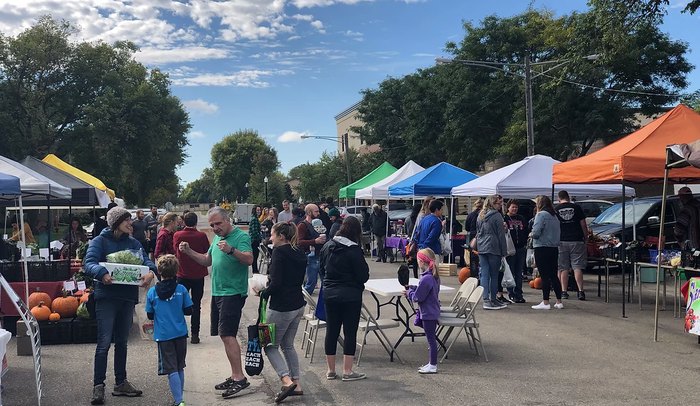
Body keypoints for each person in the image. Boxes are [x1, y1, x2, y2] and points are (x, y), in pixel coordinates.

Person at [84, 206, 158, 405]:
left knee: (122, 343)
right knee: (104, 343)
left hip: (126, 298)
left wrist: (150, 273)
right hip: (106, 298)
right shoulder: (99, 241)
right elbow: (88, 263)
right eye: (126, 220)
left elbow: (148, 262)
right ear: (116, 223)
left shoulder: (133, 243)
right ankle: (98, 386)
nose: (130, 223)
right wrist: (102, 273)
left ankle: (121, 383)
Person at [178, 207, 254, 399]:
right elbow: (206, 261)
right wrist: (188, 251)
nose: (215, 228)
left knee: (228, 334)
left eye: (218, 223)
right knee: (223, 335)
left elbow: (249, 259)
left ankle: (239, 378)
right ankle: (234, 374)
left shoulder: (239, 237)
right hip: (219, 292)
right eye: (212, 225)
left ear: (228, 220)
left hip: (233, 292)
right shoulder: (218, 239)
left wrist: (231, 250)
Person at [258, 222, 307, 403]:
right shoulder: (298, 252)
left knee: (269, 345)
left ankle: (285, 380)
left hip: (281, 306)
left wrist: (263, 292)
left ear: (281, 236)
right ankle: (296, 383)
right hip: (297, 304)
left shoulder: (279, 252)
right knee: (287, 345)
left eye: (272, 234)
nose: (270, 238)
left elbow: (276, 282)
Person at [320, 216, 369, 382]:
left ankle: (330, 370)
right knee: (350, 332)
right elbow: (363, 275)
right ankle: (347, 370)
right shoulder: (354, 250)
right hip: (351, 296)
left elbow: (322, 269)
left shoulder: (327, 246)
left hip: (330, 293)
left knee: (331, 331)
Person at [145, 254, 193, 406]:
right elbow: (188, 310)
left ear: (159, 272)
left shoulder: (152, 292)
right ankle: (180, 398)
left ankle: (179, 401)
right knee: (180, 366)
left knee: (171, 368)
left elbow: (149, 314)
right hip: (180, 332)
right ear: (176, 271)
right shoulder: (181, 289)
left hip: (163, 335)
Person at [173, 212, 210, 344]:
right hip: (198, 274)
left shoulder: (177, 235)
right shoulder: (201, 235)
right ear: (196, 222)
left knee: (178, 304)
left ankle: (180, 332)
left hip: (182, 273)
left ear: (183, 221)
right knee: (196, 305)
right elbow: (207, 250)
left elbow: (174, 249)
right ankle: (195, 334)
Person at [404, 248, 440, 374]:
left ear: (422, 262)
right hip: (432, 311)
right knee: (431, 339)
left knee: (431, 340)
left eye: (418, 260)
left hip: (428, 313)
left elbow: (418, 297)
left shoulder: (426, 279)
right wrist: (414, 288)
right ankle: (431, 363)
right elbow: (425, 291)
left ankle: (433, 364)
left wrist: (409, 292)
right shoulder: (433, 276)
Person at [531, 195, 564, 310]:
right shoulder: (555, 216)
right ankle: (559, 301)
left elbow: (536, 232)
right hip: (554, 248)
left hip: (541, 247)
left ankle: (545, 302)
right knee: (553, 275)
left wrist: (531, 234)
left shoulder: (540, 215)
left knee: (544, 276)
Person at [554, 190, 588, 300]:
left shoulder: (556, 209)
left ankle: (563, 291)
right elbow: (583, 224)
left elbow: (555, 226)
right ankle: (581, 291)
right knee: (577, 267)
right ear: (568, 197)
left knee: (563, 268)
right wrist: (585, 236)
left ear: (559, 198)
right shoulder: (577, 208)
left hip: (561, 240)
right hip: (576, 240)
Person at [476, 195, 507, 310]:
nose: (501, 205)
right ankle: (492, 299)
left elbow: (478, 231)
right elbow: (501, 235)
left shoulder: (480, 215)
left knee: (484, 273)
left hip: (482, 246)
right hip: (494, 246)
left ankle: (486, 299)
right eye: (499, 203)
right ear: (493, 204)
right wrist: (504, 251)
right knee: (494, 275)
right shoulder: (497, 216)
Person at [297, 204, 327, 294]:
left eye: (318, 211)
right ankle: (302, 299)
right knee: (311, 283)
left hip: (321, 255)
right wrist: (315, 241)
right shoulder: (302, 225)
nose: (318, 213)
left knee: (325, 281)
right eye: (316, 211)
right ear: (309, 212)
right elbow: (299, 242)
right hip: (310, 256)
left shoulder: (319, 223)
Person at [504, 200, 528, 303]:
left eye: (516, 207)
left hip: (521, 247)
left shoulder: (521, 218)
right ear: (508, 208)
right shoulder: (505, 218)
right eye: (513, 207)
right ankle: (511, 293)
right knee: (511, 271)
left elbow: (526, 230)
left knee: (519, 272)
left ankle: (519, 293)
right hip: (510, 249)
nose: (514, 209)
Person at [405, 203, 423, 278]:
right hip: (419, 240)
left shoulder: (408, 218)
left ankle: (415, 275)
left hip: (412, 239)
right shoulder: (420, 218)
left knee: (414, 258)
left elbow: (406, 230)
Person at [249, 206, 263, 274]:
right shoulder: (254, 219)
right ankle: (255, 271)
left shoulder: (255, 218)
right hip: (254, 240)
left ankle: (255, 270)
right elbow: (254, 232)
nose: (259, 211)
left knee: (255, 256)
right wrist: (260, 238)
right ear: (254, 210)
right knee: (255, 256)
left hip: (254, 240)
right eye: (257, 210)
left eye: (259, 210)